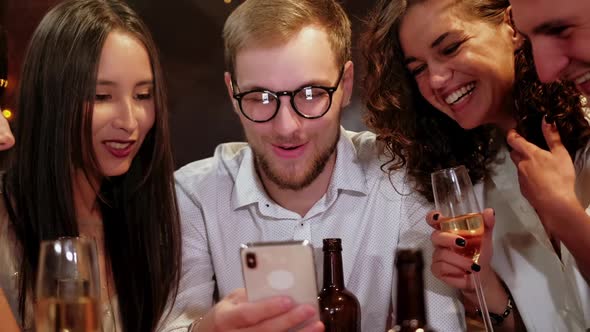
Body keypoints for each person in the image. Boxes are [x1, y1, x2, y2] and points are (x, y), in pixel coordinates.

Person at [162, 0, 465, 331]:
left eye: (311, 92)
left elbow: (439, 325)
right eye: (260, 98)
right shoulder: (194, 194)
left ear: (346, 85)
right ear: (232, 93)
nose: (287, 127)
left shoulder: (400, 175)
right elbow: (176, 322)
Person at [363, 0, 590, 330]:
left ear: (510, 27)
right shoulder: (482, 176)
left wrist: (564, 215)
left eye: (451, 47)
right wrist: (482, 287)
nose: (437, 79)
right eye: (418, 69)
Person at [0, 0, 182, 331]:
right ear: (52, 96)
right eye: (101, 97)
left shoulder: (153, 219)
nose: (130, 121)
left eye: (143, 96)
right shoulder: (5, 218)